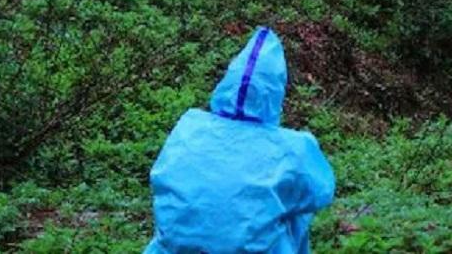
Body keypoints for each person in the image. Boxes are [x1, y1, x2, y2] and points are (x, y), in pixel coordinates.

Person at [144, 27, 336, 253]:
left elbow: (163, 180)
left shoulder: (189, 126)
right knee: (297, 213)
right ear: (275, 91)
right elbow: (321, 192)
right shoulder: (292, 147)